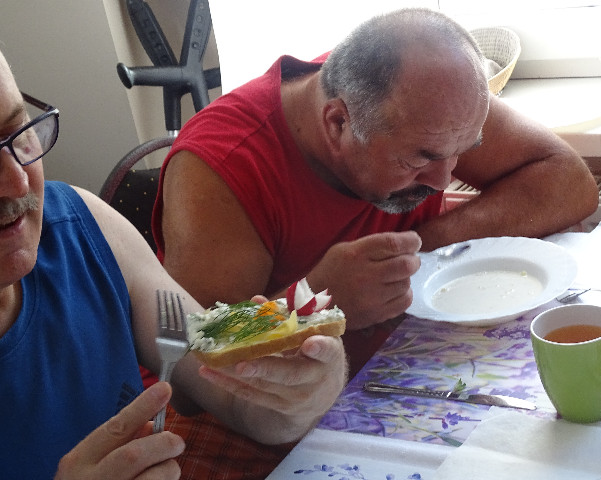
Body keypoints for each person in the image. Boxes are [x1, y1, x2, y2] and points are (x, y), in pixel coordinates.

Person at [152, 8, 599, 372]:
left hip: (405, 358)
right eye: (418, 161)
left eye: (463, 153)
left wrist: (426, 249)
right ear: (337, 123)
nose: (444, 181)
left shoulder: (425, 97)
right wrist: (316, 302)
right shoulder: (222, 166)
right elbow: (195, 355)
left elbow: (568, 180)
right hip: (270, 411)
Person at [0, 48, 347, 479]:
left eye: (17, 132)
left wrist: (303, 391)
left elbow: (236, 394)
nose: (17, 182)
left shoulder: (86, 226)